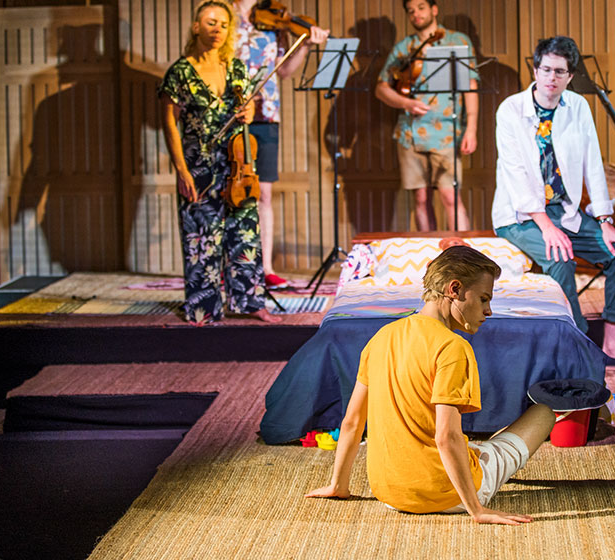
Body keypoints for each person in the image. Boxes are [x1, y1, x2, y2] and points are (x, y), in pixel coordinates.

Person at [306, 246, 556, 524]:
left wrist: (339, 485)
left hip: (389, 494)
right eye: (484, 299)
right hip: (447, 494)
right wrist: (477, 509)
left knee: (481, 444)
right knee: (543, 412)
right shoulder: (453, 347)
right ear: (455, 289)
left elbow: (352, 421)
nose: (489, 310)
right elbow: (446, 438)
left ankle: (476, 456)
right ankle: (477, 484)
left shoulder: (381, 337)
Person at [491, 36, 615, 374]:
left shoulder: (577, 106)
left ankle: (613, 346)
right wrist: (546, 226)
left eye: (560, 72)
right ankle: (579, 346)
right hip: (520, 215)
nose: (551, 77)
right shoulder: (510, 109)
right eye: (546, 69)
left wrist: (606, 220)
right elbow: (516, 174)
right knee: (560, 257)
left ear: (570, 76)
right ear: (535, 70)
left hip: (566, 211)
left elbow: (592, 164)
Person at [158, 0, 280, 325]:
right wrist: (182, 170)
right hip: (198, 168)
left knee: (245, 236)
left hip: (236, 167)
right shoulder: (180, 72)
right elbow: (170, 123)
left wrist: (249, 112)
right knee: (201, 239)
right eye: (211, 23)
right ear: (196, 27)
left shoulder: (235, 67)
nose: (217, 29)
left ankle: (251, 302)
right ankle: (204, 306)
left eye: (223, 24)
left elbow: (250, 109)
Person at [233, 0, 330, 288]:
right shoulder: (223, 15)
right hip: (232, 111)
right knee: (231, 191)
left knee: (264, 193)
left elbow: (284, 71)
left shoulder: (275, 20)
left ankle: (266, 268)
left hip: (266, 114)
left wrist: (305, 46)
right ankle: (234, 268)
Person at [376, 0, 478, 231]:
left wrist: (471, 128)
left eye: (421, 8)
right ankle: (432, 258)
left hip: (446, 132)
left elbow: (470, 86)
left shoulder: (457, 41)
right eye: (410, 11)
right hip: (411, 134)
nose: (416, 14)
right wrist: (406, 103)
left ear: (434, 9)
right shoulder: (404, 48)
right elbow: (381, 88)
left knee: (450, 197)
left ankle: (463, 258)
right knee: (421, 199)